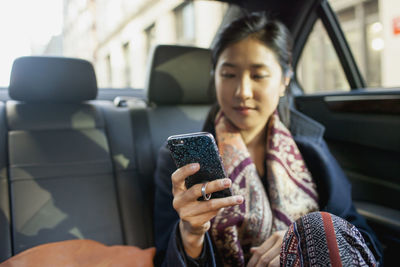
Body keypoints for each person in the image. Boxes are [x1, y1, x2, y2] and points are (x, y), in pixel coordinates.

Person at [153, 12, 382, 266]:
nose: (243, 92)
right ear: (214, 76)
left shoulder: (310, 147)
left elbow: (363, 242)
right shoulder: (182, 161)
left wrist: (300, 244)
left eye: (258, 75)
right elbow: (165, 259)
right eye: (229, 75)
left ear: (284, 81)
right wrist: (191, 234)